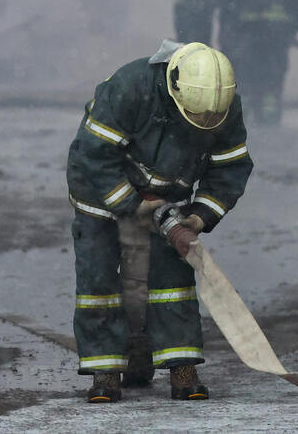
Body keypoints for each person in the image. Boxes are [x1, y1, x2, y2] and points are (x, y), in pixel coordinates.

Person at [66, 40, 253, 403]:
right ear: (175, 89)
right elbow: (95, 154)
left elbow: (230, 167)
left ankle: (181, 366)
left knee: (172, 281)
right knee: (98, 279)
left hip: (168, 195)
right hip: (100, 192)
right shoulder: (130, 87)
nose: (203, 125)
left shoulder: (221, 104)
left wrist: (197, 218)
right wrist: (132, 203)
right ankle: (106, 372)